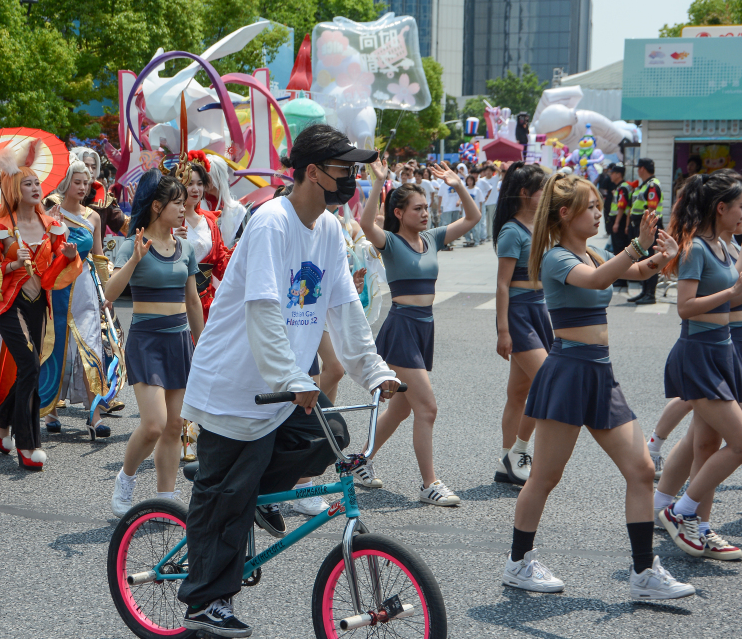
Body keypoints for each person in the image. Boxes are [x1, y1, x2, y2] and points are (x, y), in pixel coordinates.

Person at [176, 124, 399, 637]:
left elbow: (345, 309)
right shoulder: (272, 222)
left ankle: (247, 496)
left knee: (333, 436)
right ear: (313, 172)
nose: (353, 179)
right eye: (346, 170)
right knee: (228, 494)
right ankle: (204, 603)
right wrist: (292, 376)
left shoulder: (327, 230)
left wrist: (375, 370)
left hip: (284, 387)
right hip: (237, 386)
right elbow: (264, 310)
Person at [500, 172, 693, 601]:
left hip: (600, 373)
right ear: (566, 213)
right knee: (546, 477)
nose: (598, 214)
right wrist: (636, 246)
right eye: (591, 208)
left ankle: (644, 573)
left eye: (600, 209)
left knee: (642, 470)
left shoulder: (590, 252)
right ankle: (518, 563)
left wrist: (661, 256)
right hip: (568, 372)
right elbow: (599, 280)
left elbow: (632, 270)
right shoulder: (555, 258)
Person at [359, 162, 480, 504]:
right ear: (399, 212)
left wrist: (458, 186)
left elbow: (472, 219)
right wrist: (378, 182)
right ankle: (429, 483)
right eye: (418, 209)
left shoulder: (433, 238)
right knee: (427, 408)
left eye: (427, 208)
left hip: (425, 327)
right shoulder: (392, 243)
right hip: (402, 328)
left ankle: (360, 460)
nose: (426, 213)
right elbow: (366, 224)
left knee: (400, 409)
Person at [106, 169, 204, 516]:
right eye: (177, 202)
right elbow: (110, 293)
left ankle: (166, 498)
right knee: (153, 425)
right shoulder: (131, 245)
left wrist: (202, 346)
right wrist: (134, 259)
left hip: (179, 342)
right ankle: (126, 479)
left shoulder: (186, 248)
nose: (184, 207)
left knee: (175, 426)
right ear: (157, 206)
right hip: (146, 342)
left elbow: (192, 302)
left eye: (183, 202)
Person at [0, 140, 80, 471]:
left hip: (40, 304)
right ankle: (28, 444)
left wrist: (68, 257)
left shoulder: (51, 227)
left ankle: (3, 422)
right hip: (10, 305)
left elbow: (51, 276)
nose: (36, 188)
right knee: (31, 368)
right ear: (13, 188)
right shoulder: (0, 227)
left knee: (28, 370)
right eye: (27, 183)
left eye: (37, 183)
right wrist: (10, 264)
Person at [657, 170, 742, 558]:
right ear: (721, 207)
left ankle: (703, 528)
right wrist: (732, 290)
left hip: (721, 349)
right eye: (739, 205)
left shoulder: (725, 247)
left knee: (707, 444)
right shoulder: (696, 249)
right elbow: (685, 307)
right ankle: (680, 511)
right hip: (698, 354)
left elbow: (730, 303)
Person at [38, 159, 113, 440]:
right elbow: (43, 256)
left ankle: (94, 415)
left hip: (85, 289)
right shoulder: (50, 215)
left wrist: (109, 292)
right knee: (56, 345)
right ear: (66, 182)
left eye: (86, 182)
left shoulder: (93, 217)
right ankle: (51, 410)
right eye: (77, 182)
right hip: (58, 287)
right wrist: (61, 253)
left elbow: (99, 256)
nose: (82, 187)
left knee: (89, 345)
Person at [492, 163, 552, 485]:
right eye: (543, 189)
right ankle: (519, 451)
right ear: (526, 193)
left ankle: (506, 464)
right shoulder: (511, 231)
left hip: (538, 311)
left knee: (519, 392)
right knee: (548, 382)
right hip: (518, 314)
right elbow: (502, 284)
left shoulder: (539, 226)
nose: (547, 195)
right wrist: (503, 330)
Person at [179, 153, 231, 320]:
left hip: (206, 301)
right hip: (177, 300)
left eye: (200, 184)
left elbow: (222, 262)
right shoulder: (169, 220)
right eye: (190, 183)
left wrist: (244, 248)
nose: (196, 189)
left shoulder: (210, 221)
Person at [627, 158, 663, 304]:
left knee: (650, 260)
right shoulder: (645, 185)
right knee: (642, 259)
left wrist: (646, 229)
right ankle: (644, 291)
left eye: (638, 167)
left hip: (649, 227)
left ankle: (650, 294)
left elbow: (652, 208)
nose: (637, 170)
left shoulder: (652, 185)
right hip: (643, 226)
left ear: (642, 168)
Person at [74, 146, 125, 237]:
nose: (90, 171)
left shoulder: (104, 200)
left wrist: (138, 207)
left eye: (93, 167)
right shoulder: (57, 201)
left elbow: (124, 224)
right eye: (86, 166)